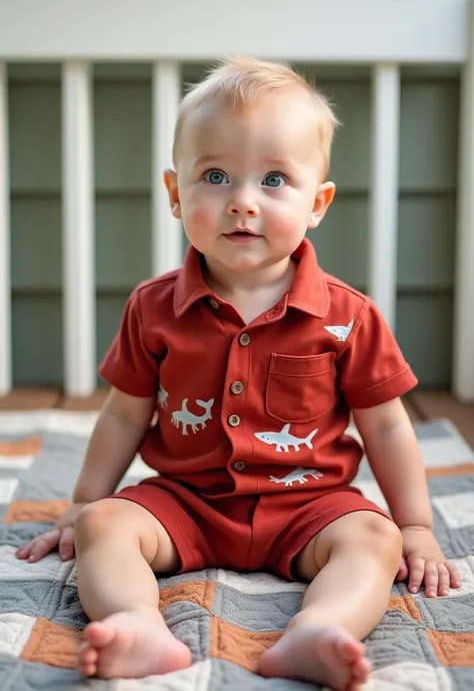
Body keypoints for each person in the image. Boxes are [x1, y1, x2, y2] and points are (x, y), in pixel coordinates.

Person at [16, 56, 461, 691]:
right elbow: (123, 412)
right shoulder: (152, 307)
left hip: (310, 507)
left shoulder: (347, 315)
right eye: (216, 176)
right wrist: (86, 500)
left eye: (274, 179)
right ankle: (137, 625)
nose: (242, 202)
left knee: (373, 538)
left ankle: (320, 628)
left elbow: (386, 426)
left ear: (317, 203)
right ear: (176, 194)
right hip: (187, 503)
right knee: (102, 526)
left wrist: (415, 526)